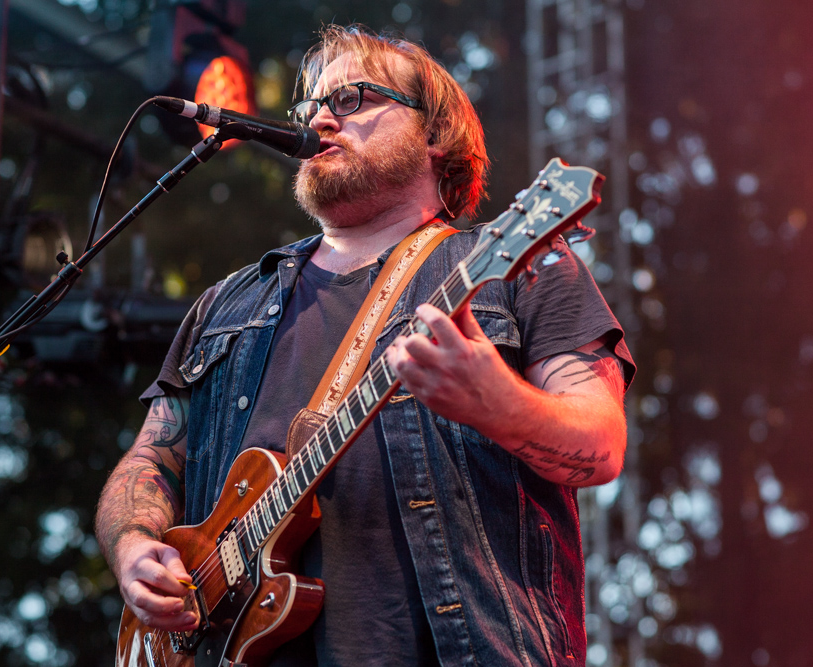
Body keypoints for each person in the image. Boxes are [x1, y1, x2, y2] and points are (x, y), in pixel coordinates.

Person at [96, 24, 634, 667]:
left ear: (435, 133)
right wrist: (134, 548)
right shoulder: (225, 305)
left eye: (351, 99)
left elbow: (599, 446)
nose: (322, 117)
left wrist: (500, 406)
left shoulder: (516, 265)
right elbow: (149, 462)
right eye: (312, 106)